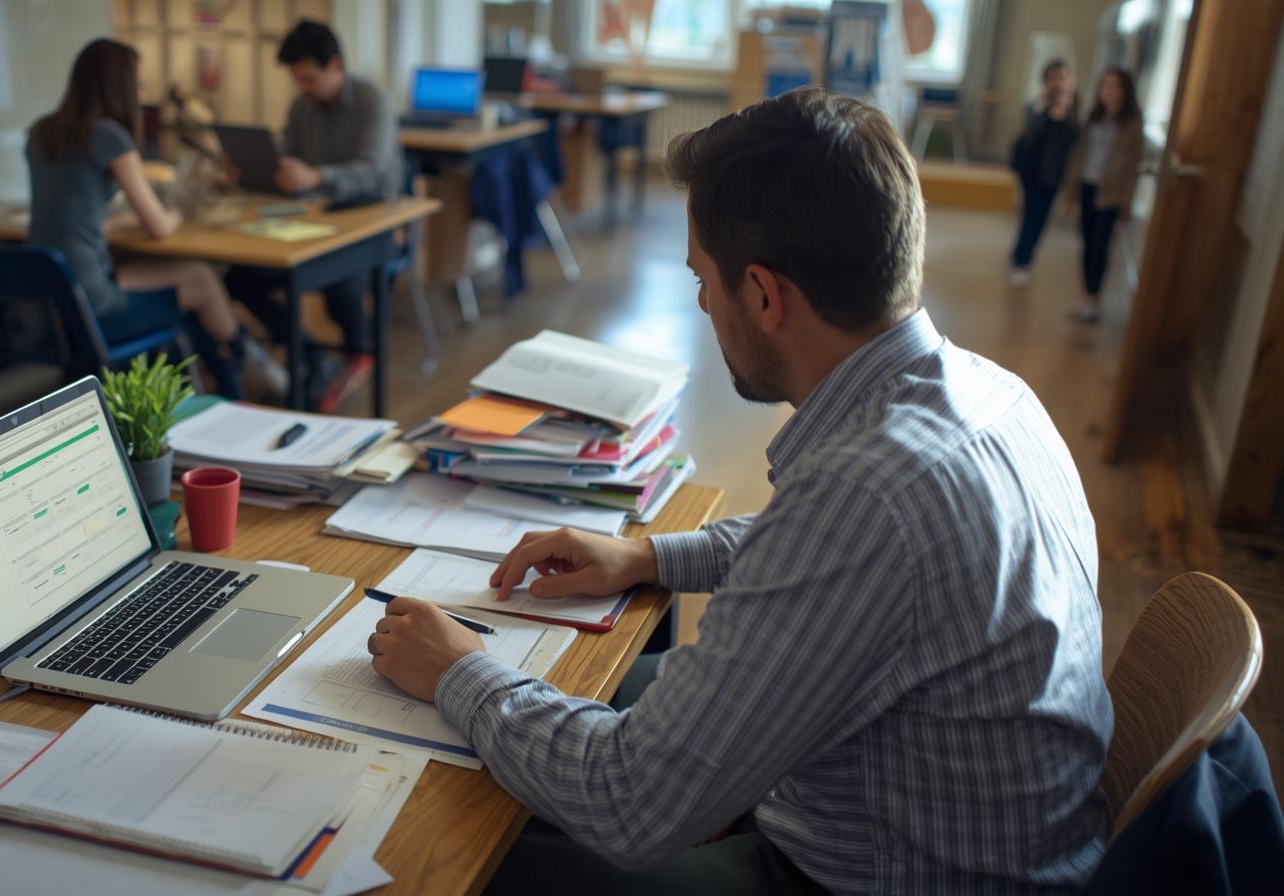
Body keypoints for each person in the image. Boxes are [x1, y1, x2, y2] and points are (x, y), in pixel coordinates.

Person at [366, 88, 1113, 893]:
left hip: (868, 874)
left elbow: (628, 803)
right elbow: (830, 552)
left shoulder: (866, 494)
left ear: (762, 294)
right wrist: (644, 555)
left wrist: (459, 670)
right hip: (953, 827)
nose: (700, 301)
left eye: (702, 278)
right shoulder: (987, 392)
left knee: (448, 853)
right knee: (583, 690)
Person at [26, 38, 281, 395]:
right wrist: (178, 213)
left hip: (51, 300)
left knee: (178, 281)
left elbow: (85, 220)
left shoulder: (41, 134)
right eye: (138, 83)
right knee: (200, 277)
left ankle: (230, 368)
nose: (142, 91)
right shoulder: (109, 137)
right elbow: (160, 227)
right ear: (120, 86)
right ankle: (246, 363)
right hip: (95, 310)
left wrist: (129, 221)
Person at [223, 19, 402, 411]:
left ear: (335, 65)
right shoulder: (302, 106)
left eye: (309, 79)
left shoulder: (374, 100)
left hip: (369, 216)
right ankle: (307, 352)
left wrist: (316, 175)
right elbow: (285, 155)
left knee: (339, 279)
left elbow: (373, 170)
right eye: (298, 81)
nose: (304, 89)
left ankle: (358, 349)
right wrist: (258, 167)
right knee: (239, 277)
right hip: (314, 216)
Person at [1063, 67, 1145, 323]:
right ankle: (1086, 297)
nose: (1108, 91)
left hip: (1110, 194)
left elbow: (1133, 166)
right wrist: (1071, 192)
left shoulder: (1132, 123)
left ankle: (1094, 299)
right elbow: (1079, 155)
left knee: (1100, 245)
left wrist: (1126, 201)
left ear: (1125, 91)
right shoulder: (1094, 118)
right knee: (1087, 244)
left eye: (1115, 86)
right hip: (1087, 186)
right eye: (1105, 85)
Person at [1008, 59, 1080, 287]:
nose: (1057, 83)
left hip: (1054, 173)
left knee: (1041, 218)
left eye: (1061, 78)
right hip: (1032, 170)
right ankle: (1022, 260)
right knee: (1029, 214)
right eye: (1053, 79)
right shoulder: (1037, 104)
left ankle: (1022, 254)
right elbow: (1030, 131)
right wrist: (1044, 108)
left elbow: (1074, 141)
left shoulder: (1074, 109)